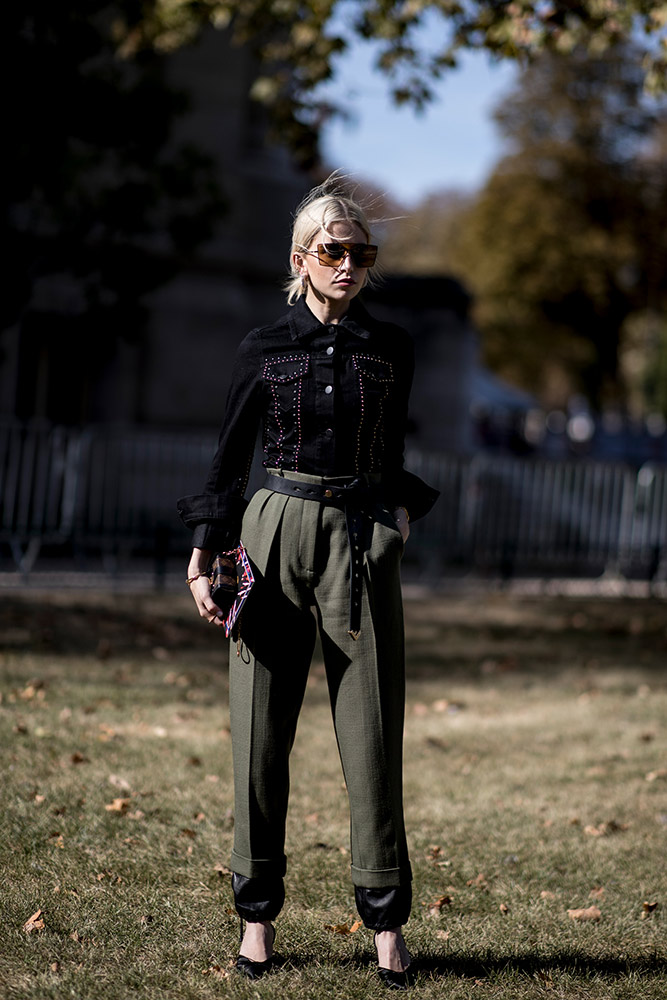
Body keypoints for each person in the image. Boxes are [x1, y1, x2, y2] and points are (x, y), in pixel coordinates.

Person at [177, 175, 438, 989]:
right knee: (259, 731)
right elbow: (228, 456)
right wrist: (204, 554)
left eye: (362, 253)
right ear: (302, 258)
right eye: (335, 251)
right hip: (272, 529)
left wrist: (400, 517)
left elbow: (391, 452)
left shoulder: (388, 348)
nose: (350, 265)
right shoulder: (263, 346)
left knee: (371, 736)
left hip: (359, 541)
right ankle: (255, 918)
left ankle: (386, 926)